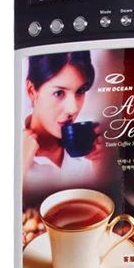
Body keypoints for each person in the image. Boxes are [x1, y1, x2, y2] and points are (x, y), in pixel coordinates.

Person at [22, 52, 104, 201]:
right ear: (31, 90)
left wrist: (104, 170)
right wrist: (18, 170)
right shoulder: (16, 155)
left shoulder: (91, 153)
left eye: (80, 91)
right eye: (59, 93)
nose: (73, 109)